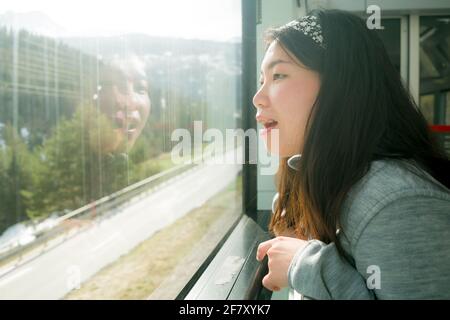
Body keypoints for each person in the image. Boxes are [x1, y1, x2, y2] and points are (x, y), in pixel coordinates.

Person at [254, 10, 450, 299]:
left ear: (340, 84)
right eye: (261, 80)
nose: (257, 98)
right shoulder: (330, 181)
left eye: (278, 75)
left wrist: (305, 266)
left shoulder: (398, 203)